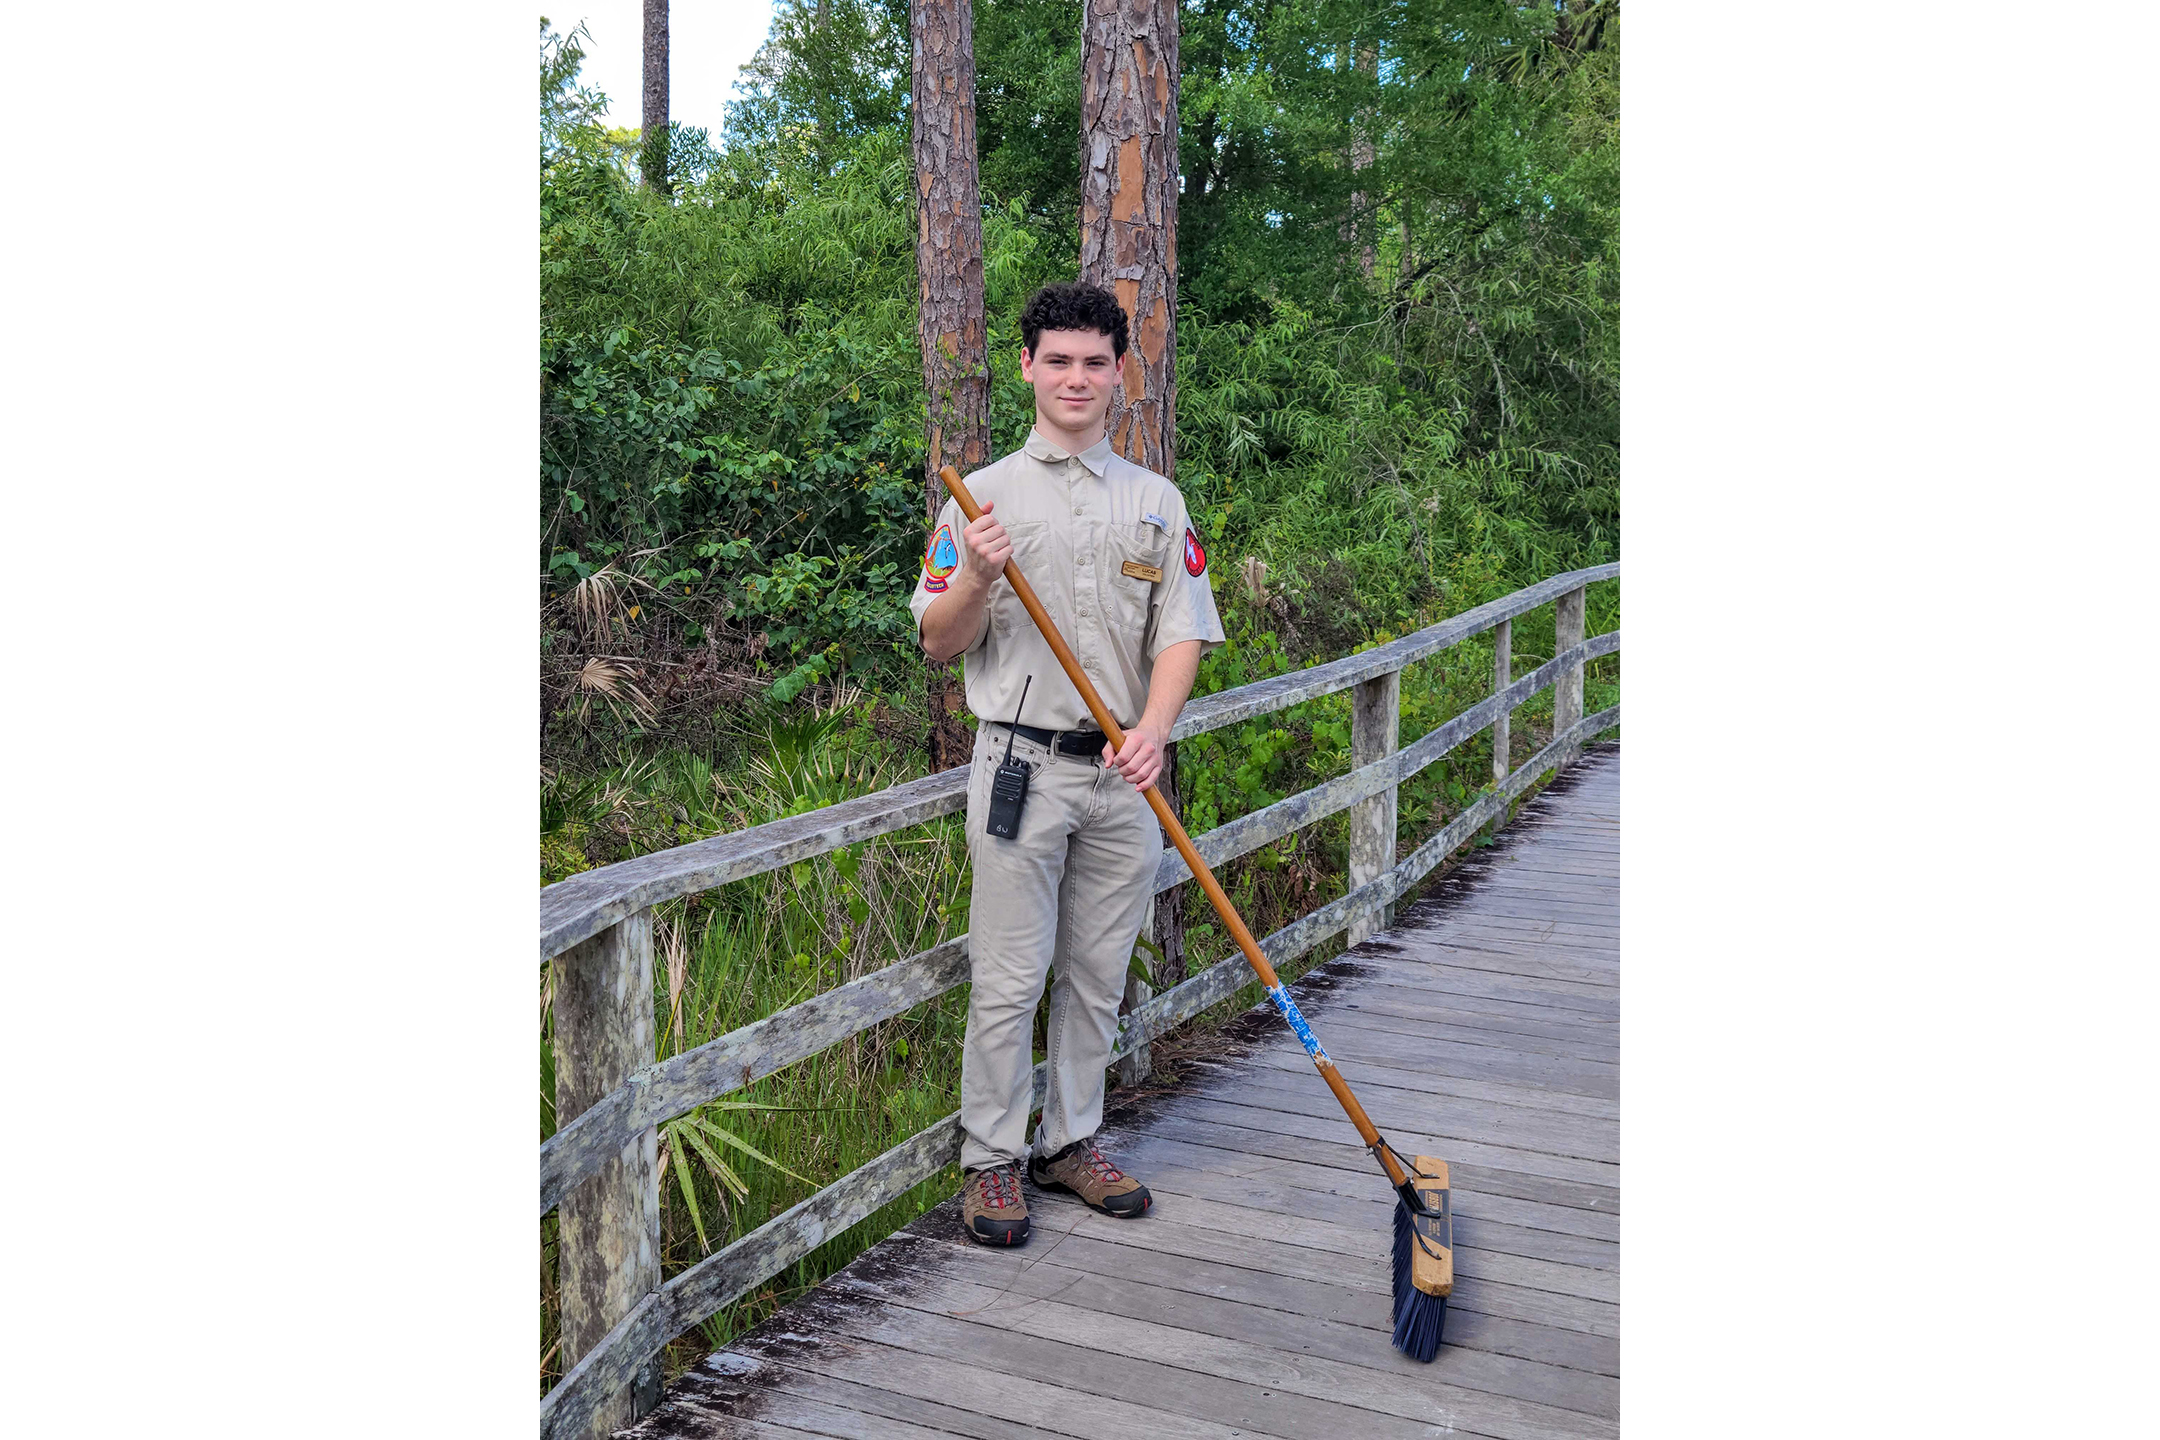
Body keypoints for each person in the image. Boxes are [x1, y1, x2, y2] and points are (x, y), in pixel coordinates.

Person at [909, 281, 1226, 1246]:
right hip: (1021, 770)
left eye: (1096, 362)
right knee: (1009, 977)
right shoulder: (982, 498)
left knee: (1097, 974)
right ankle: (993, 1160)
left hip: (1122, 775)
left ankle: (1070, 1141)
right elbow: (935, 638)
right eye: (1059, 360)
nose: (1077, 378)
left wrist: (1156, 729)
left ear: (1120, 372)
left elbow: (1182, 634)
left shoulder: (1157, 503)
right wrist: (976, 576)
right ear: (1028, 368)